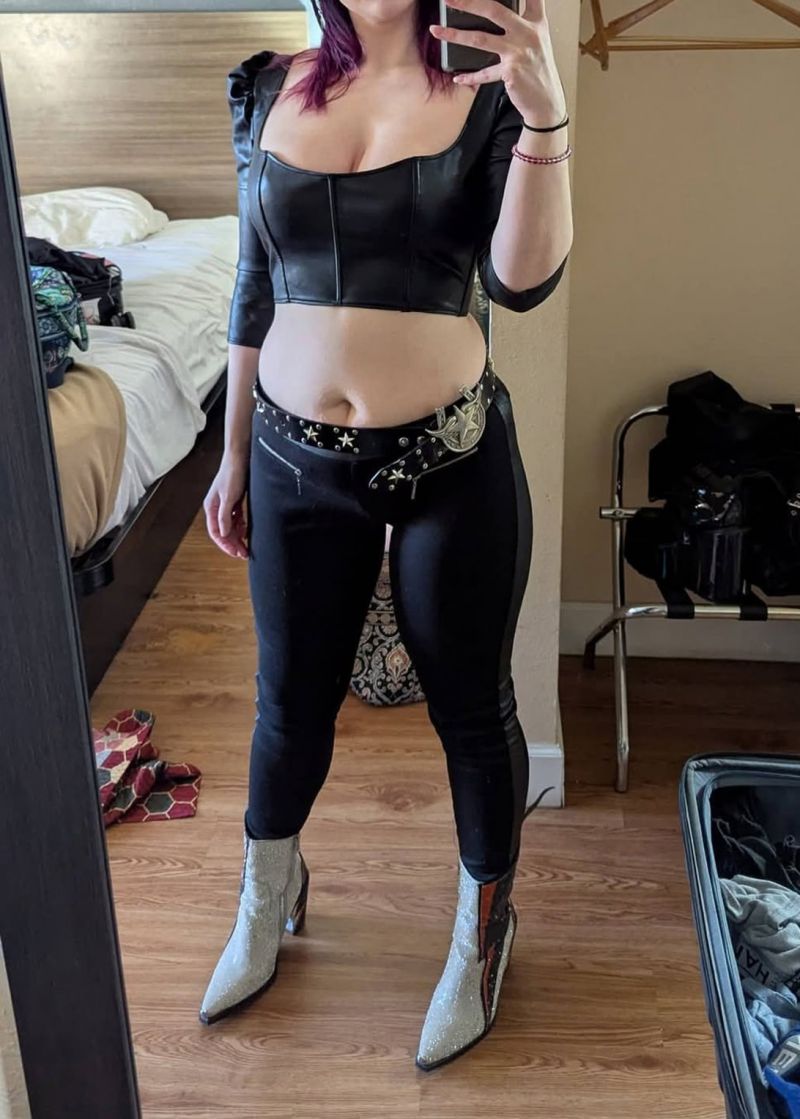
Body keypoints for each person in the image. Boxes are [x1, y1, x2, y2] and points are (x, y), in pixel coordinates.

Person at [199, 0, 573, 1070]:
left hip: (451, 459)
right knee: (287, 701)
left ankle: (481, 934)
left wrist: (544, 118)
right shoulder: (266, 86)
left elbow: (521, 283)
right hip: (288, 459)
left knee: (472, 711)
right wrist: (231, 454)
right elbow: (254, 285)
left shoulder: (489, 88)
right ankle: (266, 900)